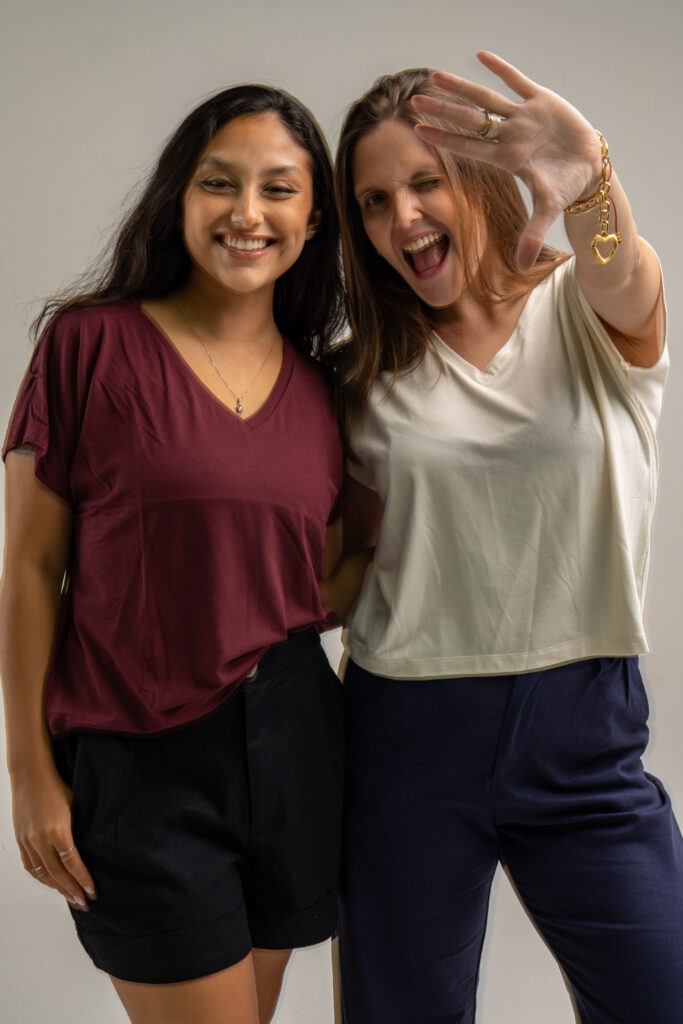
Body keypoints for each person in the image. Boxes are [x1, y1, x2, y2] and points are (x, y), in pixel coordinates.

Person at [330, 52, 683, 1023]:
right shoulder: (364, 371)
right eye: (372, 201)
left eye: (423, 182)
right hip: (406, 731)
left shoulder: (584, 309)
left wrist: (593, 179)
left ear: (477, 177)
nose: (401, 218)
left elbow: (620, 267)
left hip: (583, 732)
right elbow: (345, 568)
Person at [0, 83, 346, 1024]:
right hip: (140, 760)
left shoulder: (326, 391)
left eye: (279, 189)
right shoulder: (88, 348)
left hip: (295, 745)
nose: (247, 212)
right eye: (218, 182)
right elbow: (29, 567)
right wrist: (29, 772)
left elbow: (323, 581)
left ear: (314, 219)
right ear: (178, 197)